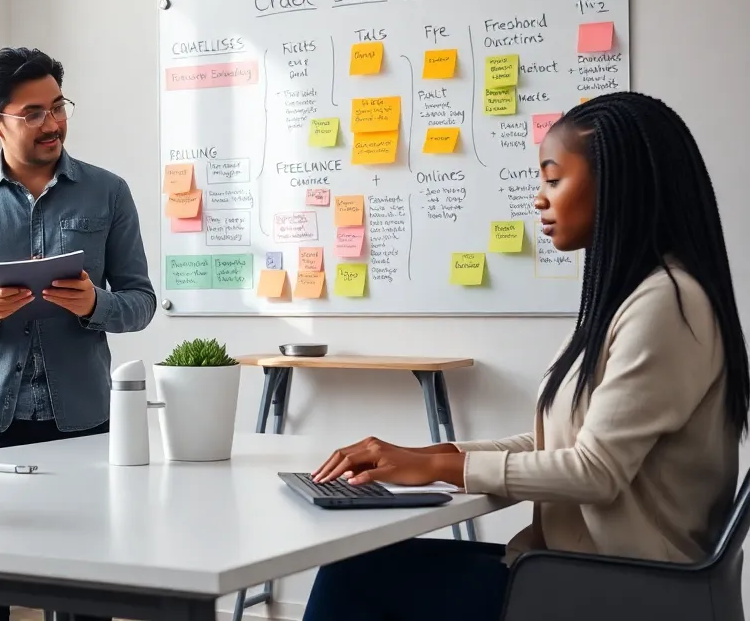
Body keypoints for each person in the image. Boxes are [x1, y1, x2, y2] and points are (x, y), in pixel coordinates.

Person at [302, 92, 750, 621]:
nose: (539, 198)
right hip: (579, 570)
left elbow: (594, 472)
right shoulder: (638, 300)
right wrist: (431, 454)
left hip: (619, 590)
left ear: (620, 184)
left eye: (554, 179)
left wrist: (443, 466)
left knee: (352, 579)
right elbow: (561, 444)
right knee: (357, 569)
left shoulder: (669, 305)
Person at [0, 46, 156, 621]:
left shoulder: (108, 192)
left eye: (58, 107)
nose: (53, 124)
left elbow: (141, 302)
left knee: (86, 588)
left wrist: (95, 303)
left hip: (82, 417)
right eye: (34, 113)